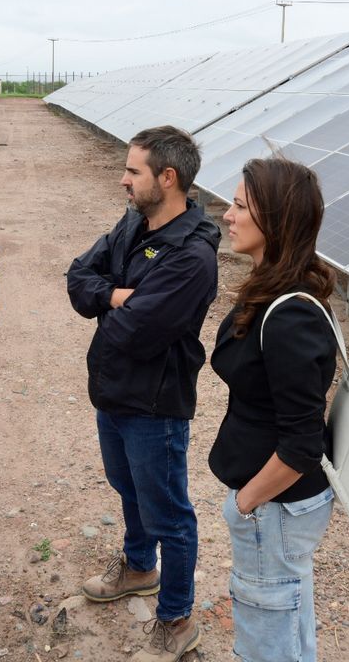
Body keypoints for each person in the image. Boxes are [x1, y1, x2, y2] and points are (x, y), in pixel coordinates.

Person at [66, 126, 220, 662]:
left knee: (169, 513)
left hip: (155, 405)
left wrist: (107, 306)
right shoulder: (135, 220)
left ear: (167, 178)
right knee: (127, 487)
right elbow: (78, 275)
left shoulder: (191, 256)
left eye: (133, 171)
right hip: (113, 392)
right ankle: (137, 567)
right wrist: (114, 294)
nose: (123, 179)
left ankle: (176, 615)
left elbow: (135, 333)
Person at [209, 157, 338, 662]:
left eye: (240, 205)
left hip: (275, 506)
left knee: (267, 632)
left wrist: (246, 505)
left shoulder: (291, 316)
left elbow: (302, 444)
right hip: (273, 504)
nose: (227, 214)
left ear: (276, 221)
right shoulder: (276, 293)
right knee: (285, 616)